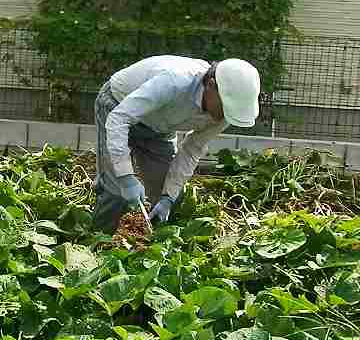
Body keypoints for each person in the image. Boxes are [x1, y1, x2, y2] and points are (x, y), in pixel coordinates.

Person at [93, 55, 261, 232]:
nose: (225, 116)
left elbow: (192, 149)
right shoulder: (175, 80)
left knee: (170, 195)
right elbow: (119, 118)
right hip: (117, 107)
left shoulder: (225, 114)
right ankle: (96, 245)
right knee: (117, 193)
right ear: (211, 85)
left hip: (158, 130)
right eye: (225, 107)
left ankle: (148, 246)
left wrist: (168, 198)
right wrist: (126, 178)